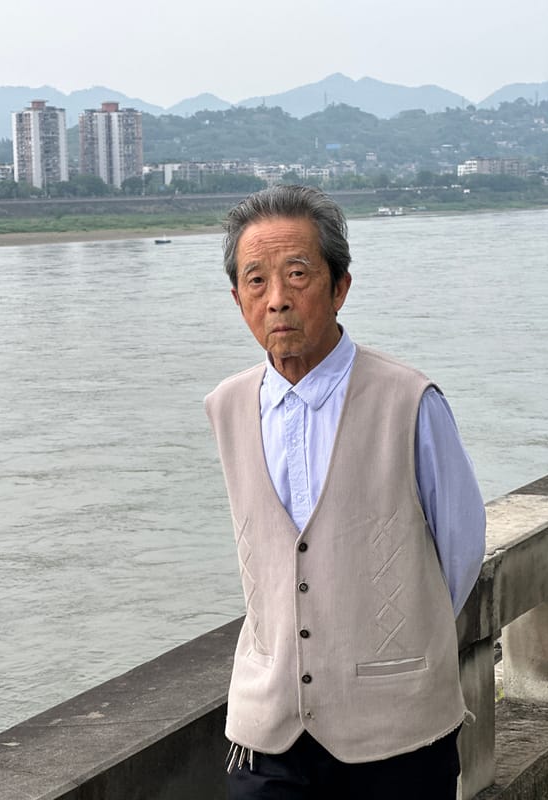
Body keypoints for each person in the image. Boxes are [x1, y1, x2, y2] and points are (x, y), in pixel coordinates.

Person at [204, 185, 486, 799]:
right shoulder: (226, 407)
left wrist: (392, 648)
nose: (277, 299)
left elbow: (459, 554)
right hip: (267, 732)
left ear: (340, 287)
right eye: (256, 281)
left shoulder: (410, 402)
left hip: (398, 735)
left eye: (297, 274)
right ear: (237, 299)